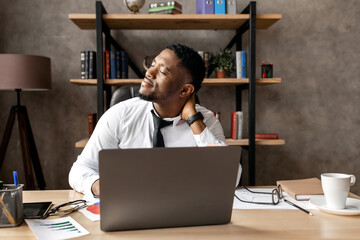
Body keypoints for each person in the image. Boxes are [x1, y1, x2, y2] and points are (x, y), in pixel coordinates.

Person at [69, 43, 241, 196]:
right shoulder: (119, 115)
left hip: (185, 214)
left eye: (163, 71)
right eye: (152, 65)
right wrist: (102, 187)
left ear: (185, 90)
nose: (149, 73)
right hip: (130, 210)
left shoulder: (206, 122)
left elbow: (230, 177)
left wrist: (194, 120)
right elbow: (80, 170)